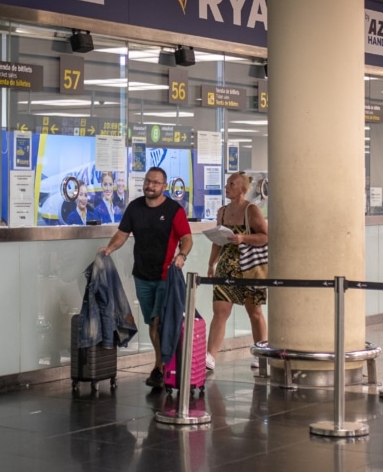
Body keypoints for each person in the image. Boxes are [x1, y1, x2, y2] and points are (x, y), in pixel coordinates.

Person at [100, 166, 193, 389]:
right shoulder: (135, 207)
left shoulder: (173, 210)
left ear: (164, 186)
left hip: (165, 277)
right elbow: (122, 234)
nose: (150, 186)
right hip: (142, 275)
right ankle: (163, 365)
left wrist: (181, 255)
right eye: (148, 181)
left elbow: (187, 238)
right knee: (152, 323)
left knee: (159, 321)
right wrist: (109, 249)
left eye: (155, 183)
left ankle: (160, 367)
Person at [206, 171, 268, 371]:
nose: (227, 187)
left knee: (254, 311)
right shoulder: (222, 211)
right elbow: (218, 240)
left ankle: (260, 351)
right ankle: (210, 356)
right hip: (227, 266)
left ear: (243, 189)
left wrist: (243, 239)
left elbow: (265, 237)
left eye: (231, 184)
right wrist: (211, 263)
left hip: (249, 267)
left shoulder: (252, 211)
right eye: (227, 184)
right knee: (220, 311)